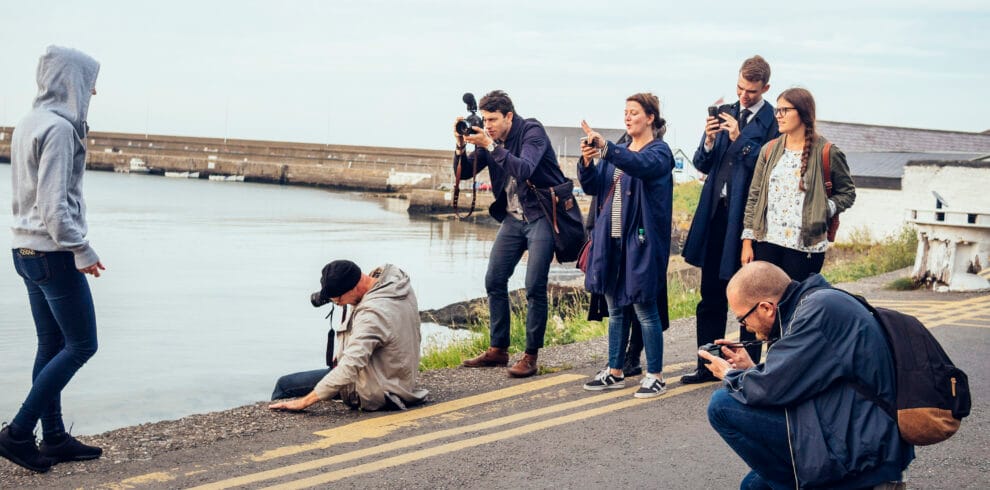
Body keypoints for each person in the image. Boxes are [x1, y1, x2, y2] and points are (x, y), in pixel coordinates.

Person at [699, 261, 913, 489]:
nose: (746, 327)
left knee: (721, 406)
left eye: (743, 319)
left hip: (863, 451)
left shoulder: (817, 313)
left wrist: (729, 374)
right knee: (753, 486)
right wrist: (750, 369)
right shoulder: (816, 303)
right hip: (855, 433)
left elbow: (771, 389)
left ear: (766, 308)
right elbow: (791, 380)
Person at [1, 46, 105, 474]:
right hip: (52, 252)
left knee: (52, 343)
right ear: (70, 81)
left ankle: (55, 437)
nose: (94, 90)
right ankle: (19, 433)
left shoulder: (28, 121)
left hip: (23, 250)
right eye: (89, 81)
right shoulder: (61, 129)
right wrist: (81, 248)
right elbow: (52, 205)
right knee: (82, 344)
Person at [454, 90, 570, 378]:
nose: (488, 125)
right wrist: (460, 147)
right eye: (485, 119)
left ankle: (530, 355)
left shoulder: (532, 131)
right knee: (494, 280)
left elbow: (525, 168)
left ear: (509, 116)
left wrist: (490, 145)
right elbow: (464, 173)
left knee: (534, 286)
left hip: (541, 214)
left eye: (493, 119)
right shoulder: (491, 138)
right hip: (513, 218)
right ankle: (498, 349)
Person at [681, 55, 780, 384]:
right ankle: (706, 365)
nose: (743, 95)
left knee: (747, 297)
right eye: (739, 87)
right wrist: (709, 139)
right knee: (709, 294)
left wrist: (740, 139)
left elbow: (766, 169)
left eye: (751, 91)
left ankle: (745, 371)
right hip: (715, 215)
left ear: (764, 88)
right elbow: (702, 163)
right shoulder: (726, 113)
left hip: (746, 221)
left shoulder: (772, 121)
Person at [577, 93, 674, 398]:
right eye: (626, 112)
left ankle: (655, 375)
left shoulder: (659, 152)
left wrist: (606, 149)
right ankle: (615, 370)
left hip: (640, 241)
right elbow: (594, 188)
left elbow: (639, 165)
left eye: (634, 112)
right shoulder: (619, 152)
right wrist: (588, 162)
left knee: (646, 308)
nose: (628, 117)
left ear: (650, 118)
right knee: (615, 308)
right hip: (611, 241)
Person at [269, 260, 428, 412]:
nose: (338, 304)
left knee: (284, 385)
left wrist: (303, 402)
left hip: (378, 388)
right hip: (396, 377)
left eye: (339, 299)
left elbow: (350, 366)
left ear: (354, 287)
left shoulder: (372, 315)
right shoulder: (394, 283)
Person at [741, 87, 856, 280]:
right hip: (766, 244)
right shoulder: (769, 150)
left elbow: (848, 193)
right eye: (777, 110)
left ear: (803, 112)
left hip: (805, 248)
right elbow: (754, 196)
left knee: (796, 304)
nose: (778, 115)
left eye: (784, 110)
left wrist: (825, 208)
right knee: (766, 304)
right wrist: (747, 242)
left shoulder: (828, 152)